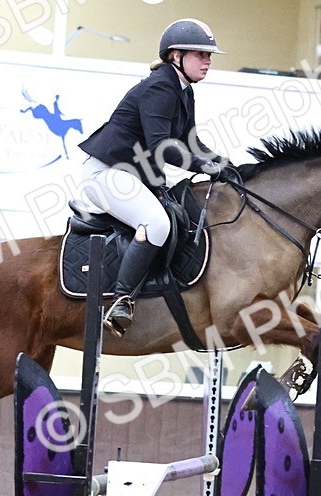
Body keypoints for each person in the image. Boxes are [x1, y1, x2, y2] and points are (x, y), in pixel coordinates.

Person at [78, 19, 227, 336]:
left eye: (209, 55)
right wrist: (205, 166)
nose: (208, 61)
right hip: (107, 174)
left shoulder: (183, 91)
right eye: (200, 54)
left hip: (134, 175)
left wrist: (224, 165)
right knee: (157, 224)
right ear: (176, 56)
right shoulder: (161, 86)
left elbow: (191, 144)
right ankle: (122, 301)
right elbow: (162, 147)